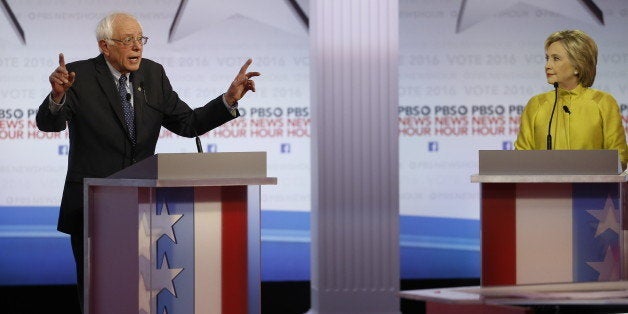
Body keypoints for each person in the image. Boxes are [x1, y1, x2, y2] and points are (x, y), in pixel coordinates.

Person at [36, 12, 259, 312]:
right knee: (98, 295)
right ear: (105, 46)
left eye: (140, 39)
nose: (137, 47)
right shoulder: (79, 76)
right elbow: (49, 124)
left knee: (141, 296)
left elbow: (188, 123)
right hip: (93, 208)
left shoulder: (153, 75)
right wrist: (57, 97)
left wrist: (228, 100)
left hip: (143, 208)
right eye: (128, 40)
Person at [514, 29, 628, 170]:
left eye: (556, 58)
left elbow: (619, 158)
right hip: (544, 190)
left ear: (577, 66)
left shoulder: (602, 102)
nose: (547, 65)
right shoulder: (536, 104)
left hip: (592, 190)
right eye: (547, 58)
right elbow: (520, 160)